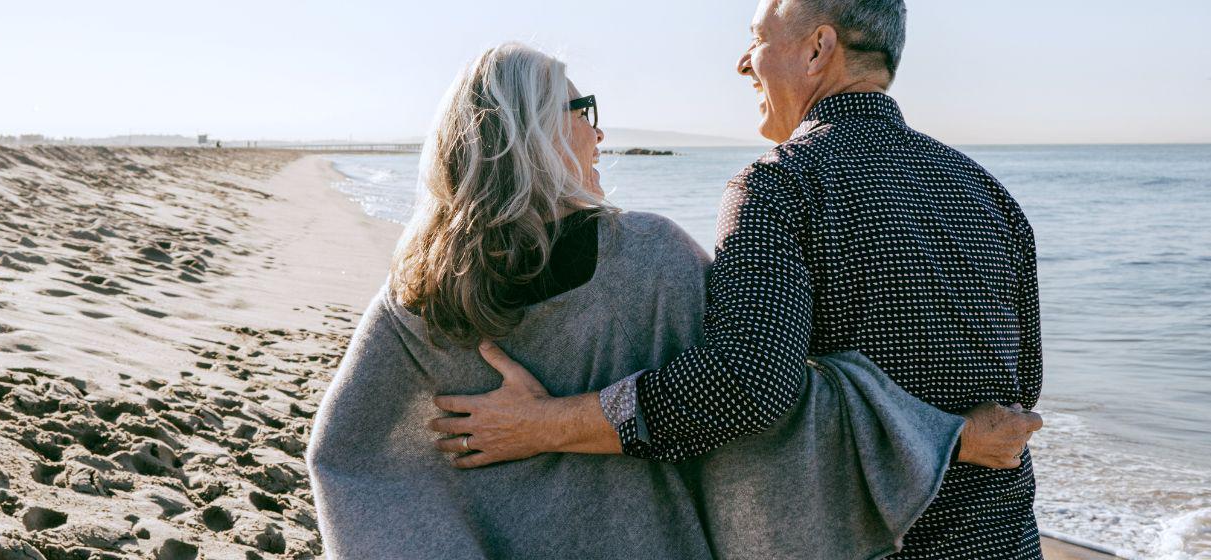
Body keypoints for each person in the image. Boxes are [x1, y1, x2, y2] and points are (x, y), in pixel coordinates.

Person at [308, 39, 1037, 559]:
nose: (599, 129)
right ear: (530, 130)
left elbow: (348, 459)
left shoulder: (416, 291)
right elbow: (764, 404)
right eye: (583, 108)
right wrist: (948, 437)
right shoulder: (646, 259)